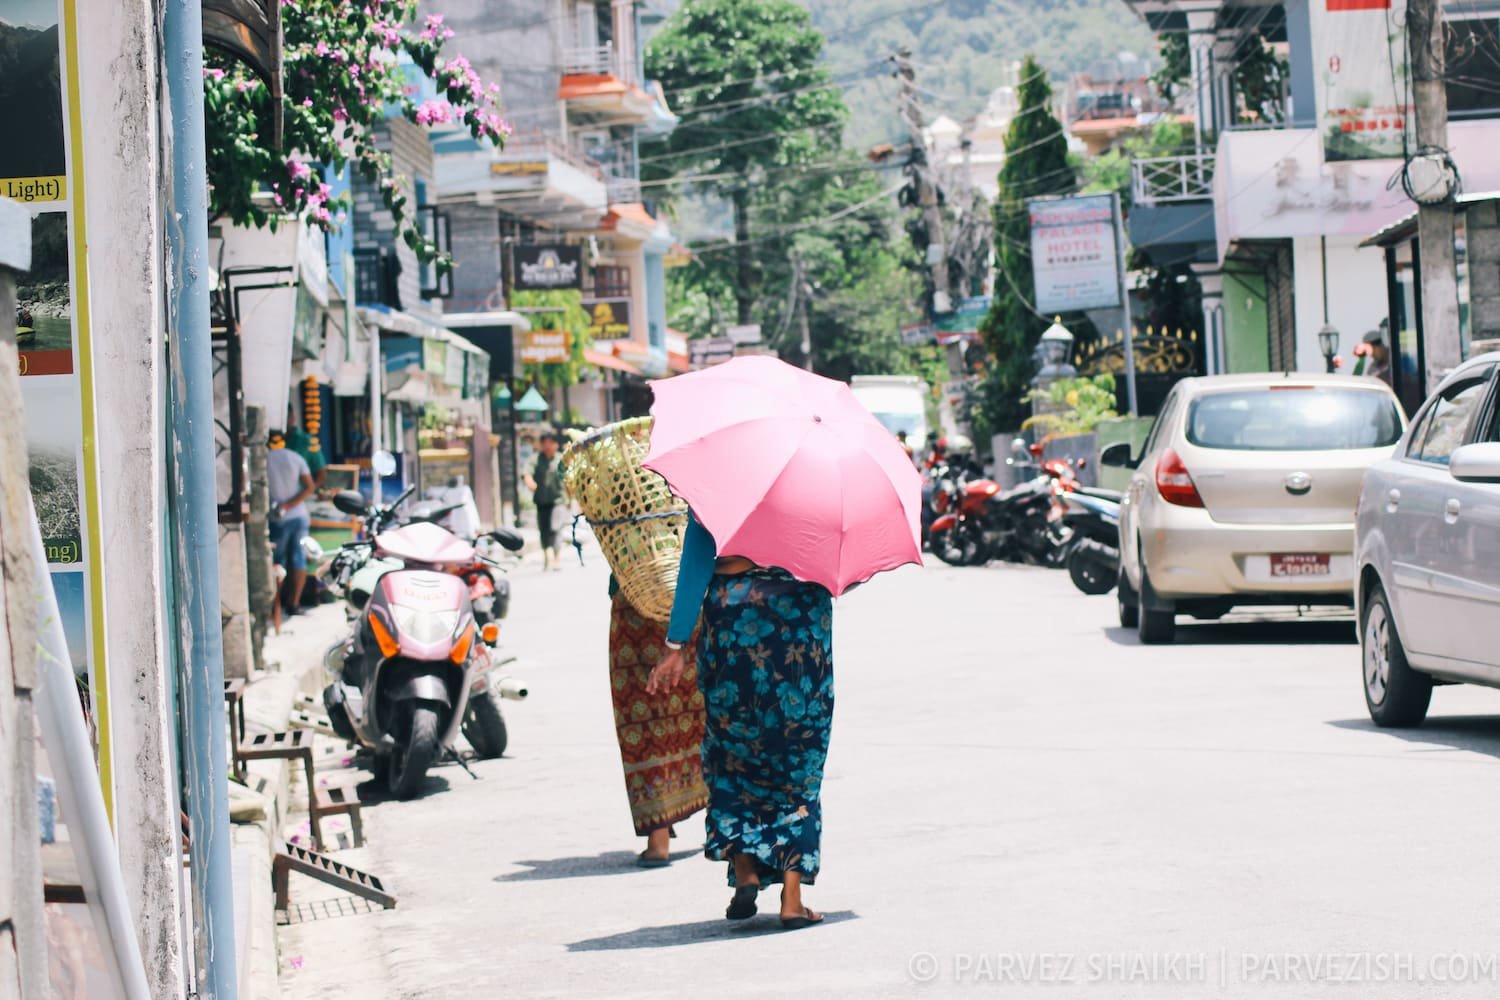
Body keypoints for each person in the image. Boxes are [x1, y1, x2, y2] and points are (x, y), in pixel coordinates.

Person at [647, 516, 834, 931]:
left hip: (732, 617)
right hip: (798, 621)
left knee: (732, 751)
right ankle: (792, 897)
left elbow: (695, 563)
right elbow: (834, 564)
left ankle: (745, 866)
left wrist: (675, 644)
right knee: (798, 761)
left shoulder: (715, 482)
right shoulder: (809, 480)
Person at [606, 580, 709, 867]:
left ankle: (658, 837)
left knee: (643, 716)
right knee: (699, 709)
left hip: (636, 599)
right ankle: (719, 826)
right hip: (688, 600)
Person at [266, 431, 317, 615]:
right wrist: (290, 505)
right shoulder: (296, 458)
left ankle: (276, 606)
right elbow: (310, 486)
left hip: (277, 517)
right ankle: (294, 603)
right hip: (298, 514)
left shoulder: (265, 459)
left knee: (277, 561)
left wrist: (282, 506)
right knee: (298, 558)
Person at [525, 432, 565, 570]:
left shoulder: (561, 459)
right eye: (545, 443)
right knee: (544, 530)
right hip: (541, 501)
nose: (547, 446)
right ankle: (547, 555)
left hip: (558, 501)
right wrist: (530, 483)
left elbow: (569, 477)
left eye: (550, 443)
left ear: (556, 444)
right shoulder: (535, 459)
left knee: (556, 528)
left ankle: (556, 558)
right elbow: (527, 473)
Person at [285, 403, 328, 493]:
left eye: (287, 417)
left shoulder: (307, 441)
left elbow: (322, 474)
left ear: (292, 417)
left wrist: (305, 494)